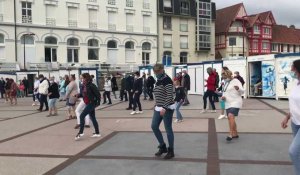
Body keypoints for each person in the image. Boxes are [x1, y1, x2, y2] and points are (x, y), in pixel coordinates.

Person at [151, 64, 175, 159]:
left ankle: (171, 150)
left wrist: (164, 107)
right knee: (154, 126)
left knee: (168, 129)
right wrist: (156, 103)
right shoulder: (158, 80)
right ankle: (162, 146)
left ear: (162, 70)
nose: (156, 73)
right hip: (158, 107)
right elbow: (158, 93)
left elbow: (170, 95)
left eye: (157, 72)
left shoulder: (167, 80)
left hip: (167, 108)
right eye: (155, 72)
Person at [281, 59, 300, 175]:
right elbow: (294, 104)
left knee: (293, 152)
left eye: (293, 68)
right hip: (295, 122)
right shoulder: (295, 83)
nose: (291, 70)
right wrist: (287, 117)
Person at [75, 73, 101, 140]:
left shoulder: (91, 85)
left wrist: (97, 102)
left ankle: (81, 132)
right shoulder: (84, 85)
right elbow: (84, 94)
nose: (81, 79)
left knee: (82, 116)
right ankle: (97, 133)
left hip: (92, 103)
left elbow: (98, 94)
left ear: (86, 78)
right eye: (81, 78)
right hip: (87, 103)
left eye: (82, 78)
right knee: (93, 118)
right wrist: (78, 95)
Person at [221, 69, 244, 141]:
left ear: (228, 75)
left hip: (236, 102)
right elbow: (224, 92)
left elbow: (242, 91)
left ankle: (230, 134)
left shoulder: (236, 81)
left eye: (224, 77)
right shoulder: (226, 82)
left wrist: (238, 89)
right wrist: (223, 97)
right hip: (228, 103)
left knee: (230, 116)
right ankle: (235, 133)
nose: (224, 78)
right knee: (231, 118)